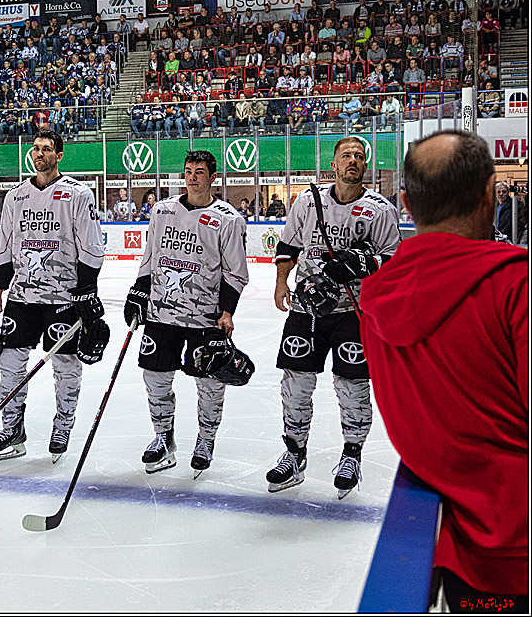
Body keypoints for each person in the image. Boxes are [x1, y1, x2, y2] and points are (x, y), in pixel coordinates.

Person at [360, 130, 528, 613]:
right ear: (489, 196)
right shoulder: (515, 283)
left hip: (466, 562)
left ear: (407, 204)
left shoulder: (375, 302)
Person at [268, 136, 401, 498]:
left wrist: (365, 263)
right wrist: (282, 282)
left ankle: (352, 454)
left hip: (354, 312)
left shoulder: (379, 209)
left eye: (359, 156)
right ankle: (294, 453)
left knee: (353, 386)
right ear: (334, 164)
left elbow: (393, 262)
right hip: (306, 308)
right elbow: (288, 247)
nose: (353, 161)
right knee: (295, 383)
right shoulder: (308, 202)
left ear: (365, 165)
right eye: (346, 156)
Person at [0, 130, 107, 462]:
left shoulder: (78, 194)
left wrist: (85, 293)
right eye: (36, 149)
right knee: (9, 364)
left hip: (63, 297)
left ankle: (62, 426)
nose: (39, 154)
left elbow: (91, 248)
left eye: (46, 149)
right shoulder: (15, 196)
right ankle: (12, 428)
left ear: (59, 155)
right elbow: (5, 246)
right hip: (22, 297)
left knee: (65, 364)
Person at [123, 151, 250, 476]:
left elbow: (235, 272)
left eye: (200, 172)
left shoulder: (228, 218)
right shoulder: (162, 211)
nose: (193, 177)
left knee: (209, 383)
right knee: (155, 378)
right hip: (161, 314)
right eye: (188, 171)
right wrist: (138, 291)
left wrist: (227, 310)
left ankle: (205, 440)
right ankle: (163, 438)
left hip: (204, 318)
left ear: (213, 177)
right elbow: (150, 256)